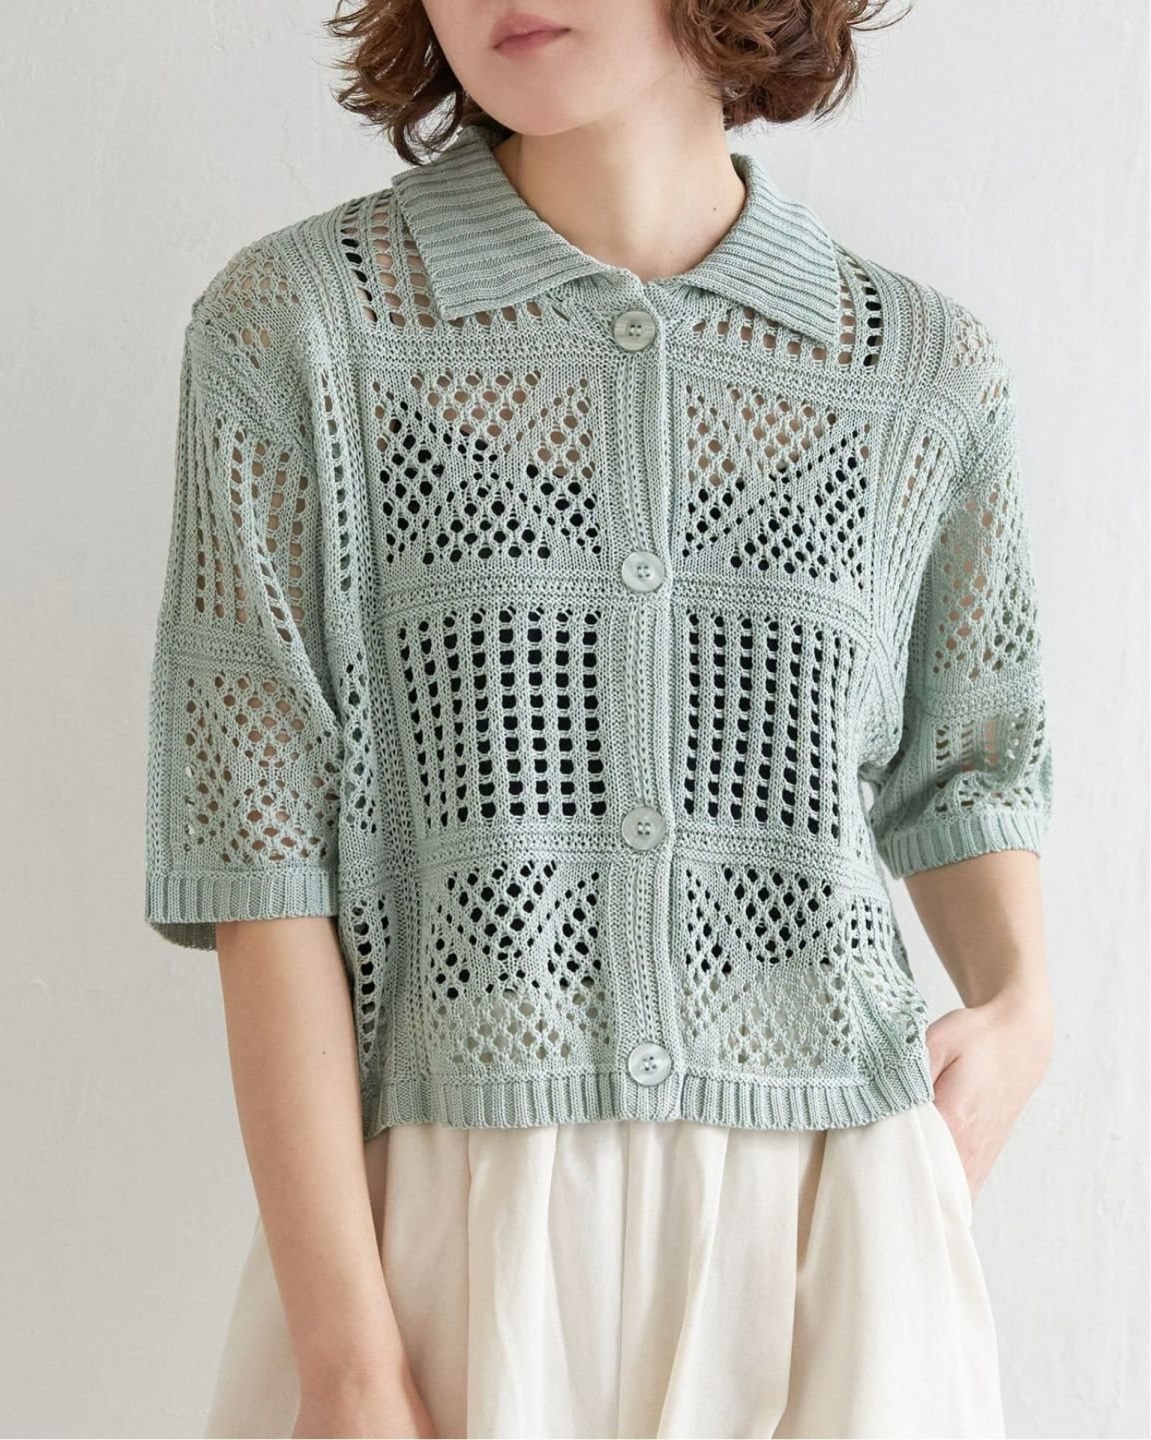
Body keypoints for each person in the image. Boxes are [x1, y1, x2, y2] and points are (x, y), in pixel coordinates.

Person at [142, 1, 1056, 1436]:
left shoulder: (922, 372)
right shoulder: (297, 332)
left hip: (835, 1223)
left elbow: (970, 763)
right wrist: (351, 1367)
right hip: (456, 1232)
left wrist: (1021, 1008)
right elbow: (263, 864)